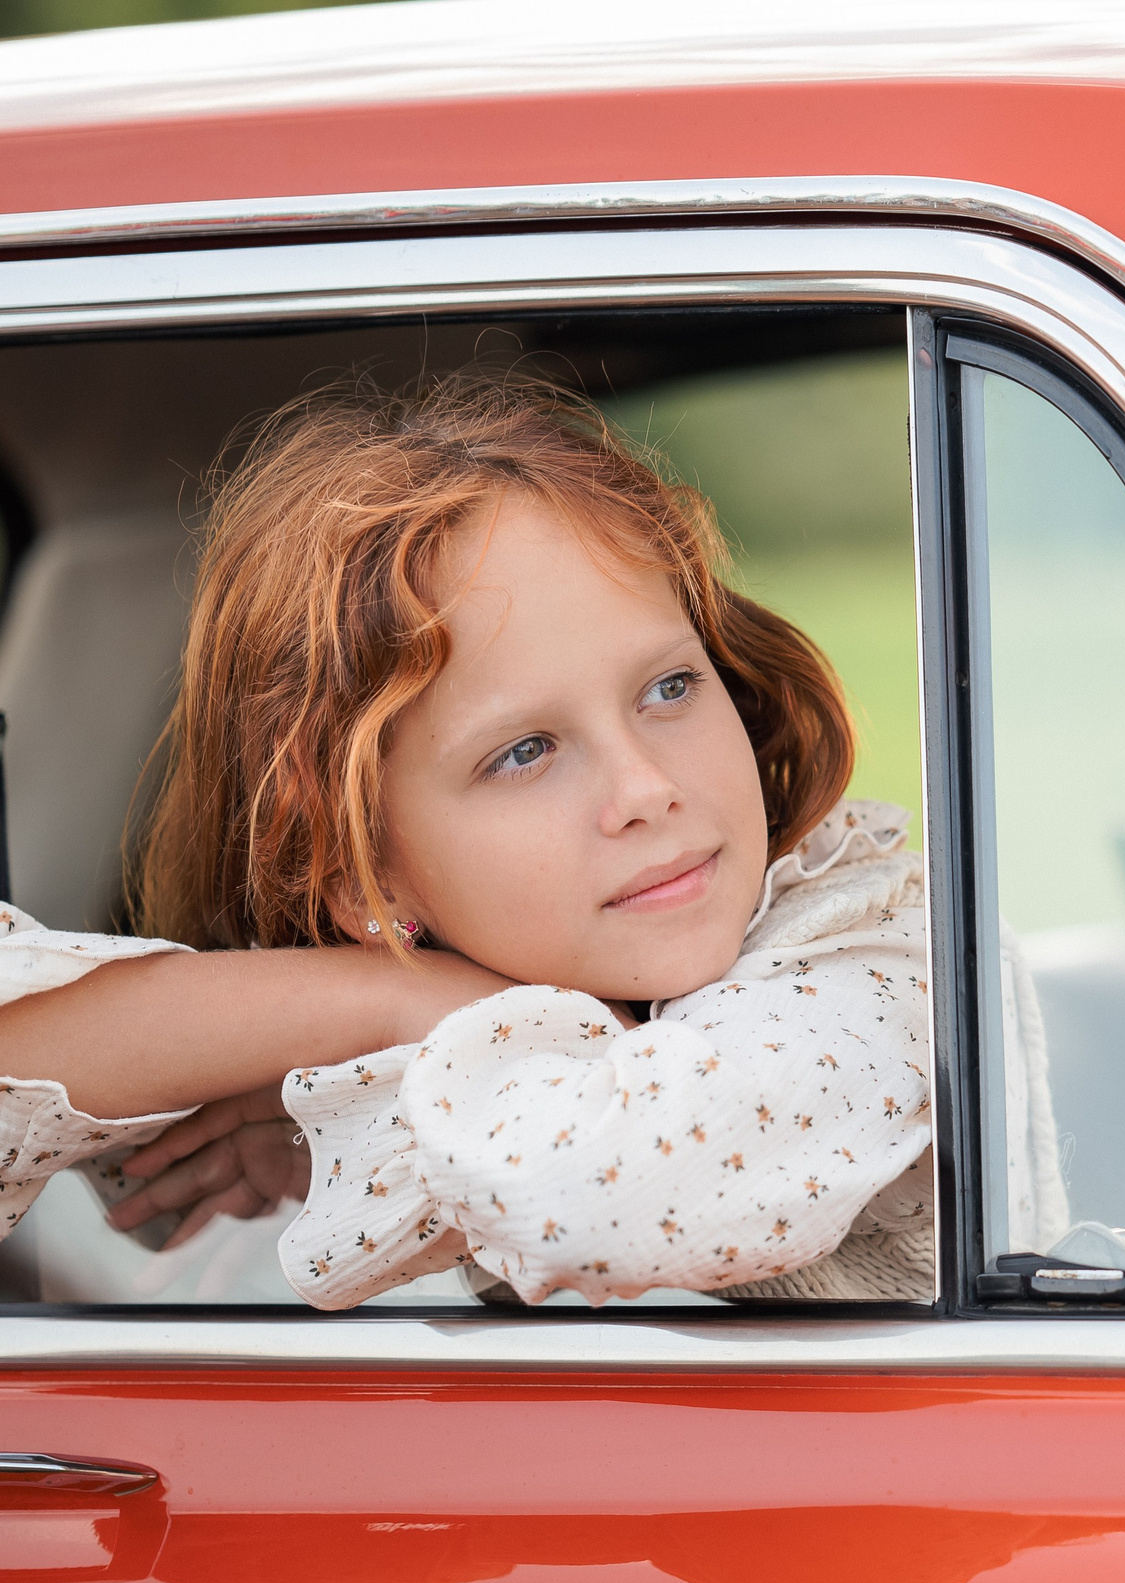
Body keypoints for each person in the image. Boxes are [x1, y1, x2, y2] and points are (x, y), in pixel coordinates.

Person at [0, 372, 991, 1307]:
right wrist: (379, 997)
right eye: (524, 751)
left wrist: (407, 1027)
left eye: (669, 687)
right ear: (363, 874)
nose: (647, 788)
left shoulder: (872, 944)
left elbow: (606, 1191)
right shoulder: (473, 1052)